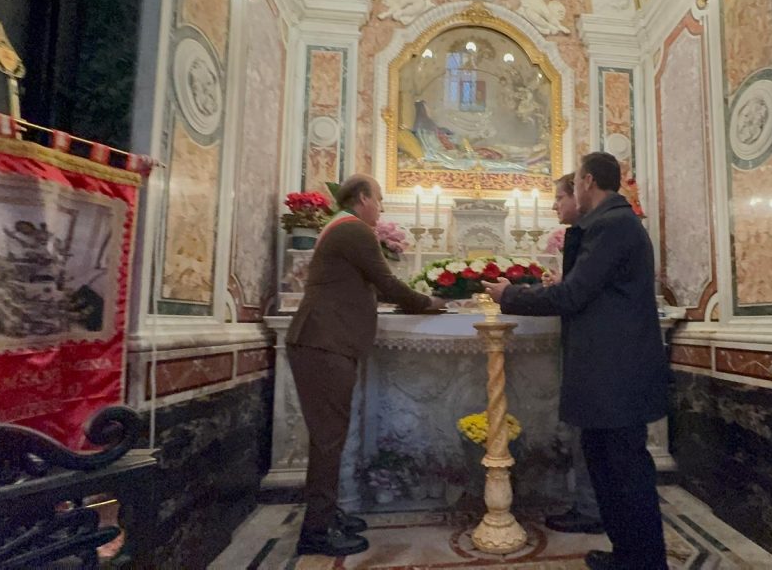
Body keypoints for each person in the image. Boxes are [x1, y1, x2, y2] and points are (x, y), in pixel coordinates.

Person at [484, 153, 668, 570]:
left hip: (617, 374)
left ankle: (647, 563)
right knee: (606, 472)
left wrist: (508, 296)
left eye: (575, 183)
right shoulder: (607, 224)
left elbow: (571, 297)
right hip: (608, 372)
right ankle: (628, 556)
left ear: (586, 181)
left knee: (627, 476)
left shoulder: (614, 224)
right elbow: (590, 291)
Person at [286, 174, 445, 557]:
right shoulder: (354, 230)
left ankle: (326, 514)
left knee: (329, 436)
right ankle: (316, 532)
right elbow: (388, 284)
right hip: (325, 342)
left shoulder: (340, 228)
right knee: (328, 438)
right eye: (379, 199)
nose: (382, 207)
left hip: (323, 341)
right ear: (361, 198)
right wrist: (431, 303)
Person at [541, 173, 603, 535]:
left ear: (582, 190)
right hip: (587, 350)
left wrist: (510, 296)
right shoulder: (585, 233)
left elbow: (579, 296)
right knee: (586, 437)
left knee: (594, 439)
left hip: (596, 354)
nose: (555, 205)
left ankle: (592, 509)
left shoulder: (604, 230)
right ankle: (589, 506)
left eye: (560, 197)